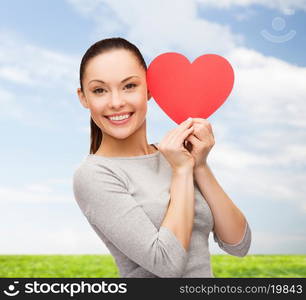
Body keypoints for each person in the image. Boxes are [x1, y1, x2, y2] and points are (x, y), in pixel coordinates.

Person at [73, 37, 251, 278]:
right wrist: (181, 171)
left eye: (129, 86)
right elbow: (166, 264)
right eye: (99, 90)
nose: (116, 102)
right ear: (83, 98)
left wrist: (199, 165)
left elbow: (238, 244)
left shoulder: (175, 154)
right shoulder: (94, 175)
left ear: (149, 90)